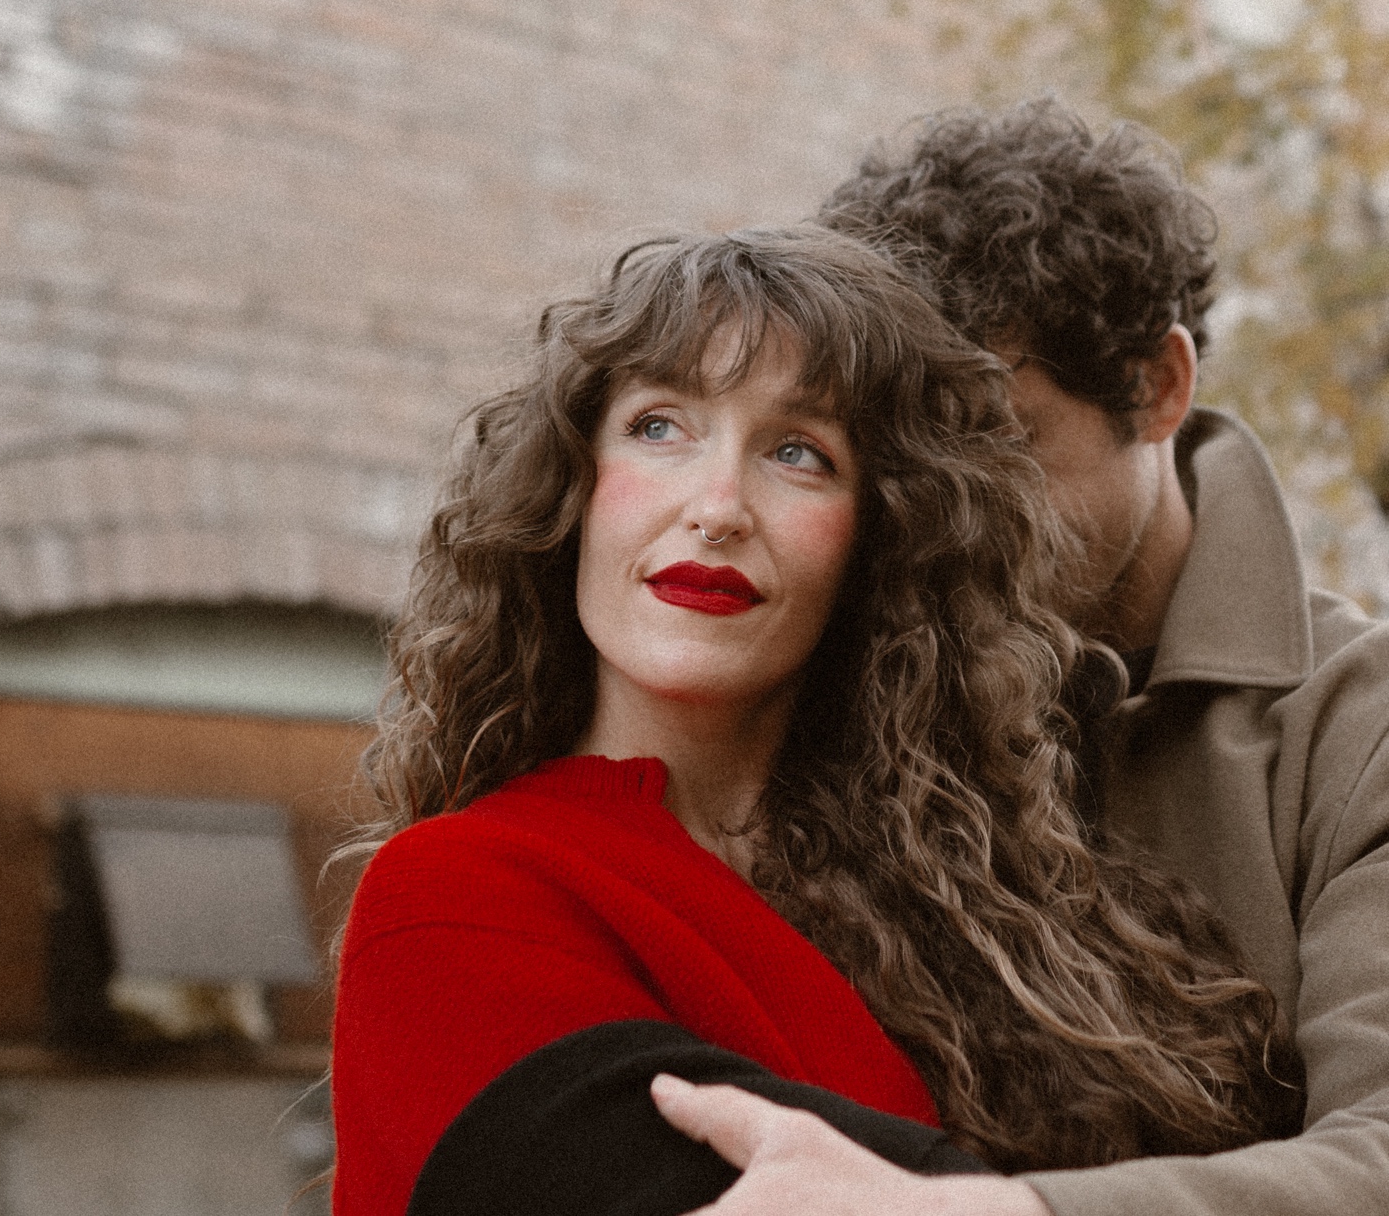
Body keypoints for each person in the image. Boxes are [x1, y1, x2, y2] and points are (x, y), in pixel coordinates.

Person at [330, 227, 1295, 1216]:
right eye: (661, 427)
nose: (717, 507)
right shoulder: (454, 893)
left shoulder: (993, 911)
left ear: (879, 543)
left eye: (800, 453)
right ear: (574, 490)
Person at [806, 99, 1389, 1216]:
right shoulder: (836, 689)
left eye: (1003, 437)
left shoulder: (1359, 726)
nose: (952, 510)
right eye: (913, 451)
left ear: (1159, 386)